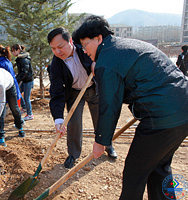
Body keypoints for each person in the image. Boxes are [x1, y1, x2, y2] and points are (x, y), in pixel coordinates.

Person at [72, 15, 188, 200]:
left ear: (98, 38)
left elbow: (110, 104)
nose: (84, 51)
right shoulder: (124, 46)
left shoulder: (107, 61)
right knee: (159, 167)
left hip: (160, 119)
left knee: (135, 173)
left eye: (85, 45)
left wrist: (101, 141)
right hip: (183, 110)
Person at [47, 27, 117, 169]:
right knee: (73, 123)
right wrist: (58, 119)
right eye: (53, 49)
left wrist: (96, 64)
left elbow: (103, 55)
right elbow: (56, 92)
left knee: (101, 119)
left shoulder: (84, 48)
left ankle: (107, 145)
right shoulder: (56, 64)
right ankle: (73, 154)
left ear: (70, 41)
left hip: (93, 87)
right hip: (74, 92)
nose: (57, 52)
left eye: (60, 47)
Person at [11, 44, 34, 121]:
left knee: (26, 98)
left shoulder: (24, 59)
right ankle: (24, 108)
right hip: (24, 80)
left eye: (13, 51)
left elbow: (24, 72)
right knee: (19, 93)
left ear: (18, 50)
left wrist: (17, 79)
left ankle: (30, 114)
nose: (12, 53)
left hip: (28, 80)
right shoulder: (20, 58)